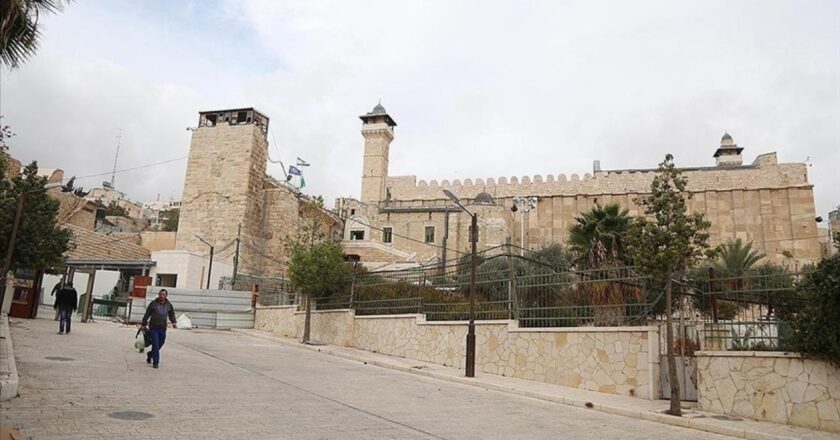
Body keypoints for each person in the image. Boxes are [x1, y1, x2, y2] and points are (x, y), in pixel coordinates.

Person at [141, 289, 177, 369]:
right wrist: (144, 323)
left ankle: (150, 354)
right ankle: (156, 362)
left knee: (161, 343)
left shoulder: (168, 305)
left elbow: (171, 314)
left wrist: (174, 322)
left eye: (163, 294)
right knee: (155, 344)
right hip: (153, 327)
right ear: (158, 294)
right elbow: (147, 313)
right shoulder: (153, 303)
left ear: (166, 296)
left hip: (162, 328)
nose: (161, 296)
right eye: (160, 294)